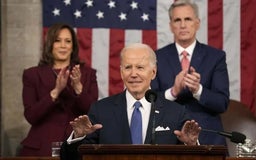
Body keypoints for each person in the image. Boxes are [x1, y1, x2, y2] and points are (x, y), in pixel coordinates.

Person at [60, 43, 201, 160]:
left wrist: (192, 145)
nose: (133, 74)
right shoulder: (101, 110)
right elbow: (73, 158)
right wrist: (78, 137)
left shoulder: (176, 113)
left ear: (153, 72)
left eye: (140, 67)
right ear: (121, 73)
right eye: (128, 67)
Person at [150, 0, 229, 146]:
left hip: (206, 138)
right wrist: (173, 92)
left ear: (197, 23)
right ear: (171, 26)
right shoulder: (156, 58)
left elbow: (222, 103)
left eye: (188, 19)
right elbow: (149, 102)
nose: (183, 25)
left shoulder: (216, 57)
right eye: (177, 20)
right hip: (168, 136)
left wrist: (198, 90)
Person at [19, 23, 99, 156]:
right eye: (57, 40)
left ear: (73, 46)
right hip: (41, 148)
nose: (63, 45)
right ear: (50, 44)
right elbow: (31, 116)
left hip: (77, 147)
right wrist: (55, 92)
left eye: (68, 41)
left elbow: (93, 112)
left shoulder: (87, 73)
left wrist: (78, 88)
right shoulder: (32, 74)